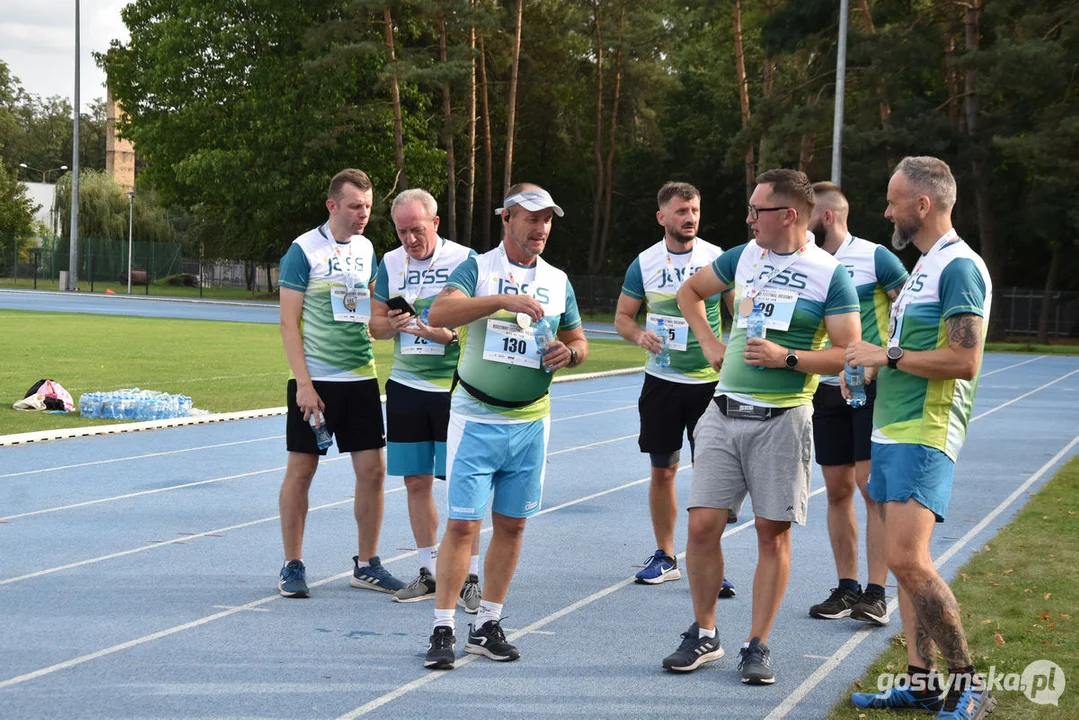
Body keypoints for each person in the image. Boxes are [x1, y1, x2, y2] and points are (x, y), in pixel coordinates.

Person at [663, 169, 860, 683]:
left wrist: (787, 357)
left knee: (771, 536)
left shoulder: (828, 273)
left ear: (788, 215)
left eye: (757, 211)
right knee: (702, 527)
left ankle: (758, 644)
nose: (748, 219)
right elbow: (689, 293)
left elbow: (848, 355)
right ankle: (705, 634)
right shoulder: (744, 256)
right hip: (724, 411)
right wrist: (709, 342)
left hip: (784, 420)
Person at [846, 157, 995, 719]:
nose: (887, 211)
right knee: (902, 560)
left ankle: (970, 684)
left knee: (908, 561)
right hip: (892, 429)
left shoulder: (959, 266)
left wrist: (886, 355)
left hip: (925, 430)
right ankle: (921, 680)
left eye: (893, 200)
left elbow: (965, 359)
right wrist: (870, 367)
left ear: (923, 205)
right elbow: (906, 355)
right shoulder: (926, 267)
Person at [421, 183, 588, 670]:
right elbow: (441, 312)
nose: (541, 229)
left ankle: (488, 623)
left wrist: (570, 353)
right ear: (506, 219)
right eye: (531, 218)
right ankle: (443, 627)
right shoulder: (478, 267)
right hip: (476, 419)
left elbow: (578, 339)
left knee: (513, 526)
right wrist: (501, 301)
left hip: (532, 422)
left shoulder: (558, 280)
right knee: (462, 524)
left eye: (548, 220)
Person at [275, 168, 405, 598]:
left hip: (361, 378)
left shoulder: (367, 248)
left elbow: (369, 309)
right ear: (332, 206)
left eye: (368, 206)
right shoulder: (303, 251)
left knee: (373, 471)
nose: (363, 214)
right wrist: (304, 384)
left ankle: (367, 564)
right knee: (302, 471)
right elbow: (288, 325)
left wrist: (392, 321)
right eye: (354, 206)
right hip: (317, 382)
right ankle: (293, 564)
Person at [614, 182, 735, 598]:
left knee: (713, 477)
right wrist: (639, 336)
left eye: (695, 210)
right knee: (663, 469)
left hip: (710, 385)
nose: (690, 217)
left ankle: (710, 561)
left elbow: (740, 308)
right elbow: (623, 318)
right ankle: (665, 556)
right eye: (682, 211)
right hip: (662, 382)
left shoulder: (716, 258)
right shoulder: (644, 263)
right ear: (662, 217)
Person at [368, 188, 482, 612]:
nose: (409, 240)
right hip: (406, 385)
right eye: (401, 232)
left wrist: (442, 334)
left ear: (435, 223)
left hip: (455, 387)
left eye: (417, 230)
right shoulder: (390, 262)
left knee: (462, 483)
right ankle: (431, 571)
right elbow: (375, 327)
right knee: (415, 481)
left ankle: (468, 576)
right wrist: (393, 323)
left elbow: (473, 323)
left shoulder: (466, 259)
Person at [806, 182, 908, 626]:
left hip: (870, 387)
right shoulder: (806, 262)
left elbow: (911, 312)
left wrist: (878, 361)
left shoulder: (876, 257)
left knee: (871, 489)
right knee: (837, 490)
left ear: (826, 217)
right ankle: (847, 588)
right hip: (825, 387)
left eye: (806, 214)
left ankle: (877, 591)